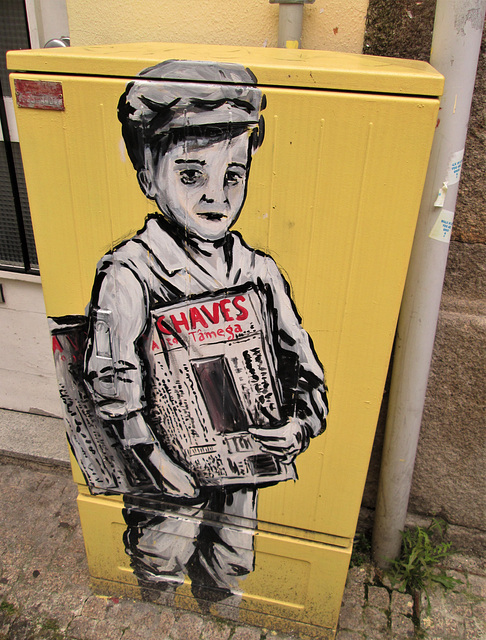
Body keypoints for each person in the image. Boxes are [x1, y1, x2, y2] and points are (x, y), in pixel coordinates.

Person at [83, 59, 328, 602]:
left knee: (229, 568)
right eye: (191, 174)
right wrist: (156, 463)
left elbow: (305, 371)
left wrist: (298, 429)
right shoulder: (131, 271)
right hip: (166, 479)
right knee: (161, 566)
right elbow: (111, 381)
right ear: (149, 174)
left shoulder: (258, 272)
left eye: (233, 176)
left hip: (243, 477)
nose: (216, 196)